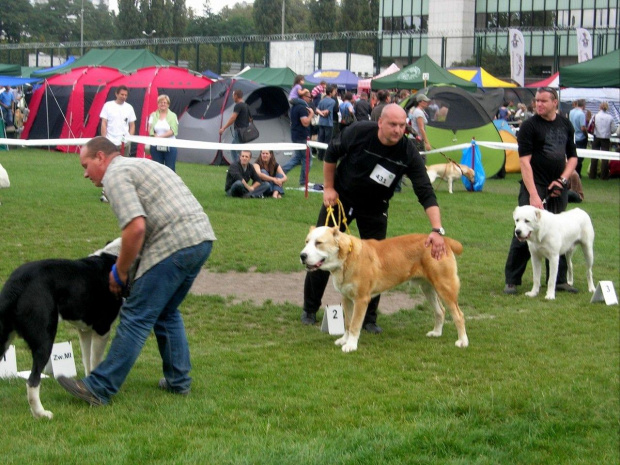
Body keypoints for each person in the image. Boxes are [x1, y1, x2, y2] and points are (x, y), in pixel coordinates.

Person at [57, 136, 216, 406]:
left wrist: (119, 271)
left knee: (135, 315)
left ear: (101, 158)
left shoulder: (115, 175)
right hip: (201, 239)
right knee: (165, 312)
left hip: (173, 244)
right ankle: (178, 381)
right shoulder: (141, 164)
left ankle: (99, 387)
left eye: (86, 165)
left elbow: (136, 228)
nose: (85, 173)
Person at [301, 104, 447, 333]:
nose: (398, 130)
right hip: (342, 199)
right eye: (393, 124)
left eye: (402, 125)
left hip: (375, 207)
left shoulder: (408, 152)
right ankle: (309, 309)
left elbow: (425, 191)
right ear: (380, 122)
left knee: (377, 262)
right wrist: (328, 187)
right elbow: (331, 154)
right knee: (321, 250)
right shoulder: (359, 132)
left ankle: (369, 319)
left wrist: (437, 229)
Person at [503, 87, 578, 295]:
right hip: (533, 186)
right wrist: (534, 195)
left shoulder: (565, 125)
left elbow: (572, 157)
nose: (538, 104)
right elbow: (524, 162)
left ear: (555, 102)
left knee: (559, 232)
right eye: (536, 101)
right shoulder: (529, 126)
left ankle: (559, 281)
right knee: (522, 231)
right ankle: (512, 280)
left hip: (557, 187)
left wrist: (562, 181)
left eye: (543, 101)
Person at [283, 89, 314, 186]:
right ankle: (303, 181)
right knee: (307, 159)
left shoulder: (294, 106)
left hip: (296, 135)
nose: (310, 99)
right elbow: (305, 123)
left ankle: (280, 172)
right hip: (302, 136)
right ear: (304, 97)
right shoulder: (302, 107)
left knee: (297, 158)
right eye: (309, 97)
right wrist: (311, 115)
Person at [100, 85, 136, 153]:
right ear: (116, 94)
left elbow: (132, 124)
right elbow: (104, 123)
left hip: (124, 142)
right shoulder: (108, 105)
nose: (124, 97)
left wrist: (129, 138)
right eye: (122, 94)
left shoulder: (129, 107)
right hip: (110, 141)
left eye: (126, 95)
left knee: (124, 162)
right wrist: (104, 139)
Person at [148, 94, 179, 172]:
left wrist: (160, 137)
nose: (163, 104)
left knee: (170, 168)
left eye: (165, 102)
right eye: (161, 102)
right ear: (158, 104)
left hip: (170, 146)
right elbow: (150, 129)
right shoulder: (153, 115)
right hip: (155, 145)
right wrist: (155, 136)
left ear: (168, 104)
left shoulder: (173, 116)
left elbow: (173, 130)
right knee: (157, 168)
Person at [219, 89, 250, 163]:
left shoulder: (238, 105)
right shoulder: (246, 105)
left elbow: (233, 118)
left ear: (236, 96)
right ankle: (239, 165)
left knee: (236, 149)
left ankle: (238, 166)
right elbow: (250, 119)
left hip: (239, 131)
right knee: (237, 148)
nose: (233, 97)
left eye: (233, 95)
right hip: (245, 130)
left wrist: (223, 128)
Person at [588, 102, 618, 180]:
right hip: (605, 138)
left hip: (596, 137)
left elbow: (590, 126)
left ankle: (592, 175)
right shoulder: (610, 117)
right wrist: (609, 131)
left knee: (594, 156)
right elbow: (614, 129)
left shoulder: (595, 116)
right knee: (605, 157)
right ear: (607, 108)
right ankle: (604, 176)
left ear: (600, 107)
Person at [316, 85, 337, 160]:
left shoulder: (322, 100)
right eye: (334, 91)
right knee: (327, 140)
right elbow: (327, 112)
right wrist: (323, 113)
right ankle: (325, 156)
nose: (335, 92)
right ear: (330, 93)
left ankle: (319, 156)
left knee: (320, 139)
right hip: (328, 123)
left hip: (321, 122)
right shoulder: (332, 101)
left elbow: (317, 109)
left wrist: (320, 113)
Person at [568, 99, 588, 176]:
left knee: (573, 155)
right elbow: (583, 127)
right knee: (580, 157)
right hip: (580, 137)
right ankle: (577, 173)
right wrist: (586, 134)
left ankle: (572, 171)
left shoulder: (571, 112)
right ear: (583, 105)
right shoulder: (581, 114)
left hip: (573, 136)